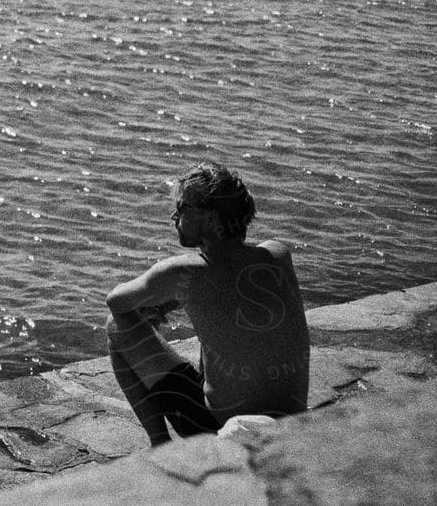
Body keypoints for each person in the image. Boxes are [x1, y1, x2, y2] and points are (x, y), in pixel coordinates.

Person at [104, 162, 310, 445]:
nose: (174, 215)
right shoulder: (277, 254)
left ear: (212, 218)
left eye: (183, 207)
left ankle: (160, 446)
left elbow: (116, 301)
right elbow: (227, 288)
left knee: (117, 326)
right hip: (293, 420)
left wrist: (158, 304)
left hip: (220, 426)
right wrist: (169, 302)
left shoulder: (181, 272)